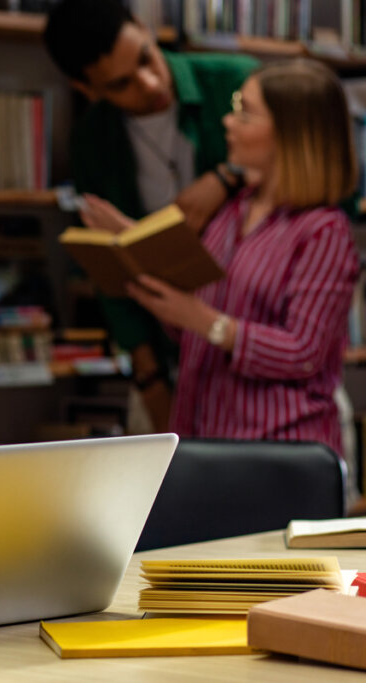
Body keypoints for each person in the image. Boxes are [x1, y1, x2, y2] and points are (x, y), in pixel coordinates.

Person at [127, 59, 359, 460]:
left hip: (278, 454)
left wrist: (205, 321)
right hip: (205, 442)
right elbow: (194, 326)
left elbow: (304, 352)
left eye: (245, 113)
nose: (228, 122)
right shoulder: (233, 211)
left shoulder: (323, 231)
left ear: (290, 134)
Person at [43, 0, 258, 432]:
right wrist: (150, 381)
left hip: (254, 341)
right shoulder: (93, 139)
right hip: (172, 356)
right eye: (122, 83)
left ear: (144, 27)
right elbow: (115, 276)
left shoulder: (236, 82)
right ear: (87, 88)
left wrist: (228, 176)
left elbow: (314, 170)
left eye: (146, 57)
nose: (151, 82)